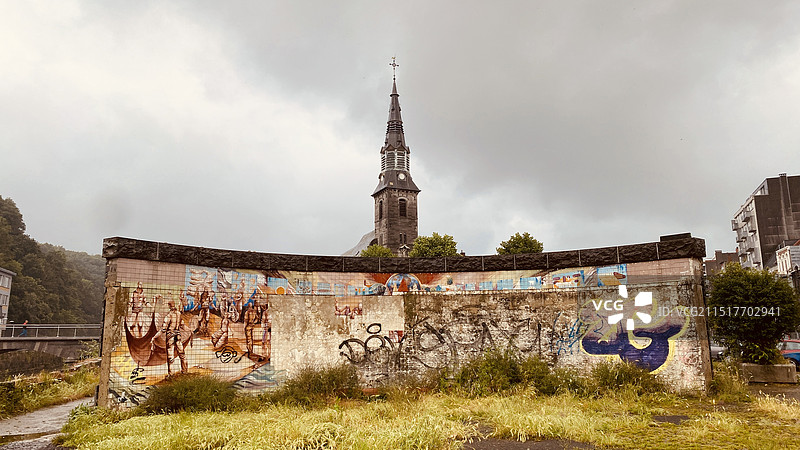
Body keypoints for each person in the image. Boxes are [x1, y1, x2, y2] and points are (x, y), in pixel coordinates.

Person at [151, 300, 187, 375]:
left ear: (169, 306)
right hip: (178, 336)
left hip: (170, 337)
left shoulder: (169, 315)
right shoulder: (179, 314)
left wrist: (154, 337)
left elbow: (163, 329)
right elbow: (182, 325)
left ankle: (171, 375)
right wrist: (190, 331)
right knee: (182, 354)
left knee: (170, 357)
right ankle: (184, 371)